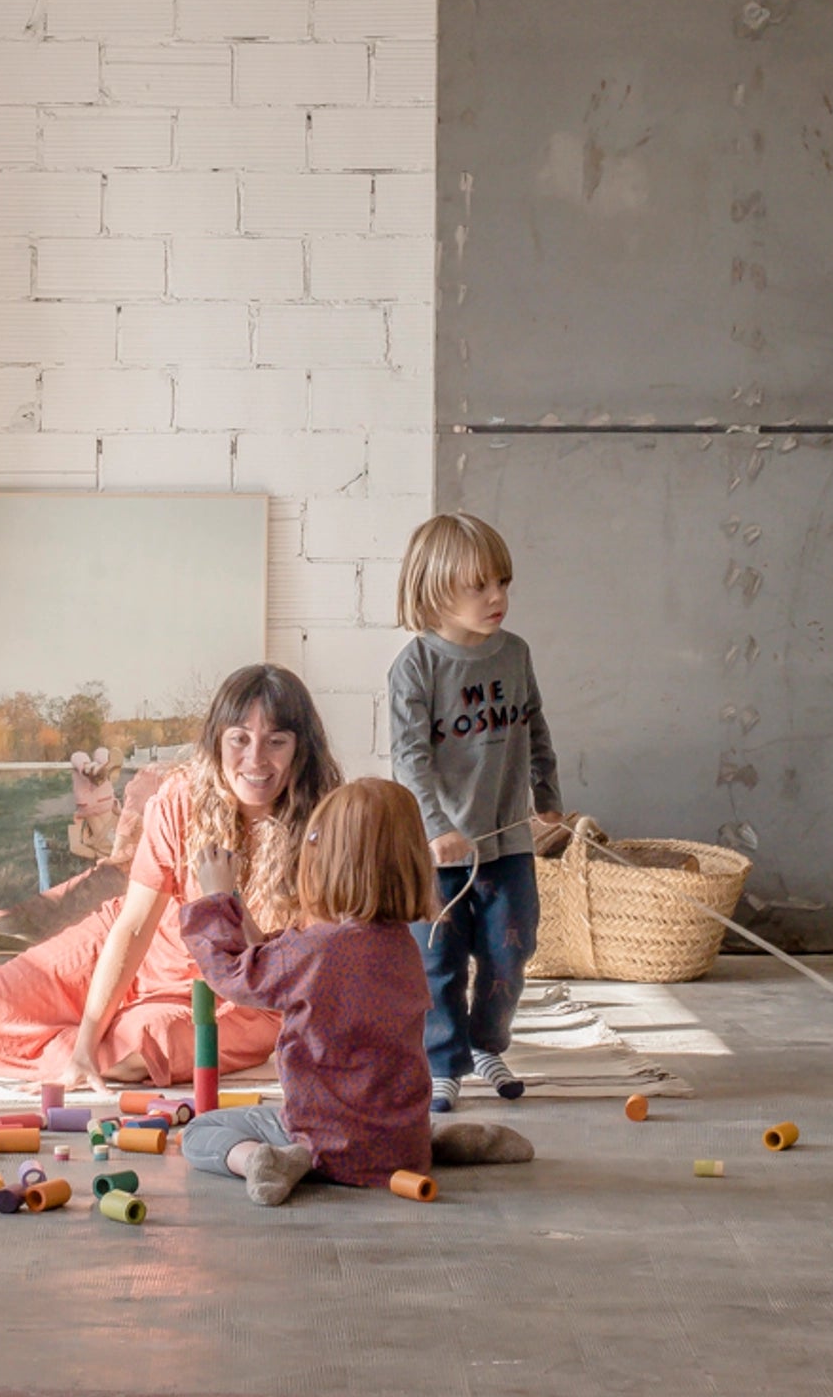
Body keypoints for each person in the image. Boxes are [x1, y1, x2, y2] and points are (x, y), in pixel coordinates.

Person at [0, 663, 341, 1087]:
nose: (255, 759)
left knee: (138, 1049)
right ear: (218, 741)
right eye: (239, 739)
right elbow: (134, 925)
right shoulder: (183, 796)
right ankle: (75, 1043)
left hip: (241, 997)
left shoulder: (328, 825)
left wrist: (227, 903)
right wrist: (86, 1044)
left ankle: (31, 1046)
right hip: (143, 944)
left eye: (276, 741)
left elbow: (292, 972)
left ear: (300, 748)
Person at [179, 778, 533, 1206]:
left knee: (202, 1131)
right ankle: (436, 1142)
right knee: (391, 1126)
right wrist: (235, 901)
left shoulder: (317, 951)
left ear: (328, 863)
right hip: (400, 1144)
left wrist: (215, 899)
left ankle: (269, 1158)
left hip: (324, 1143)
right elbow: (275, 954)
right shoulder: (399, 944)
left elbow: (234, 975)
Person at [388, 512, 563, 1113]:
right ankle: (443, 1062)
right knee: (436, 962)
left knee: (510, 950)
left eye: (504, 583)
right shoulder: (416, 666)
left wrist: (549, 802)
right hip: (436, 855)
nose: (498, 598)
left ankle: (487, 1044)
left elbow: (536, 728)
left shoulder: (514, 654)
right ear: (435, 589)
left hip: (507, 844)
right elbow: (410, 757)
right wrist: (438, 829)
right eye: (479, 586)